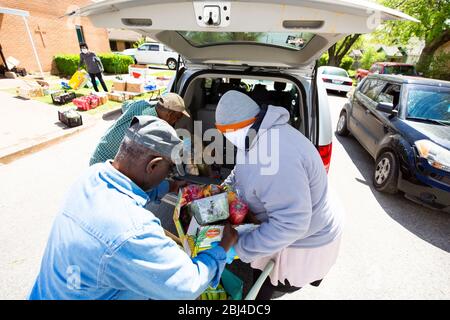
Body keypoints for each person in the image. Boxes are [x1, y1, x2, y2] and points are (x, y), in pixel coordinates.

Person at [28, 116, 238, 300]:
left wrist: (170, 186)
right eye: (169, 170)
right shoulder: (134, 231)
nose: (169, 174)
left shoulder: (92, 176)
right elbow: (187, 285)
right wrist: (222, 247)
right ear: (153, 165)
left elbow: (130, 186)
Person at [215, 90, 344, 300]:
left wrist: (239, 248)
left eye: (224, 133)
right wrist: (223, 189)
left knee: (264, 289)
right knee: (258, 276)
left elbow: (291, 224)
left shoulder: (278, 155)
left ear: (236, 127)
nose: (225, 138)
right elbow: (240, 170)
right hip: (292, 227)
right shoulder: (254, 134)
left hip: (305, 240)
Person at [89, 93, 189, 166]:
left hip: (98, 153)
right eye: (178, 117)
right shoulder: (151, 127)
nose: (177, 121)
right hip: (104, 165)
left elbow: (125, 104)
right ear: (170, 114)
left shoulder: (141, 104)